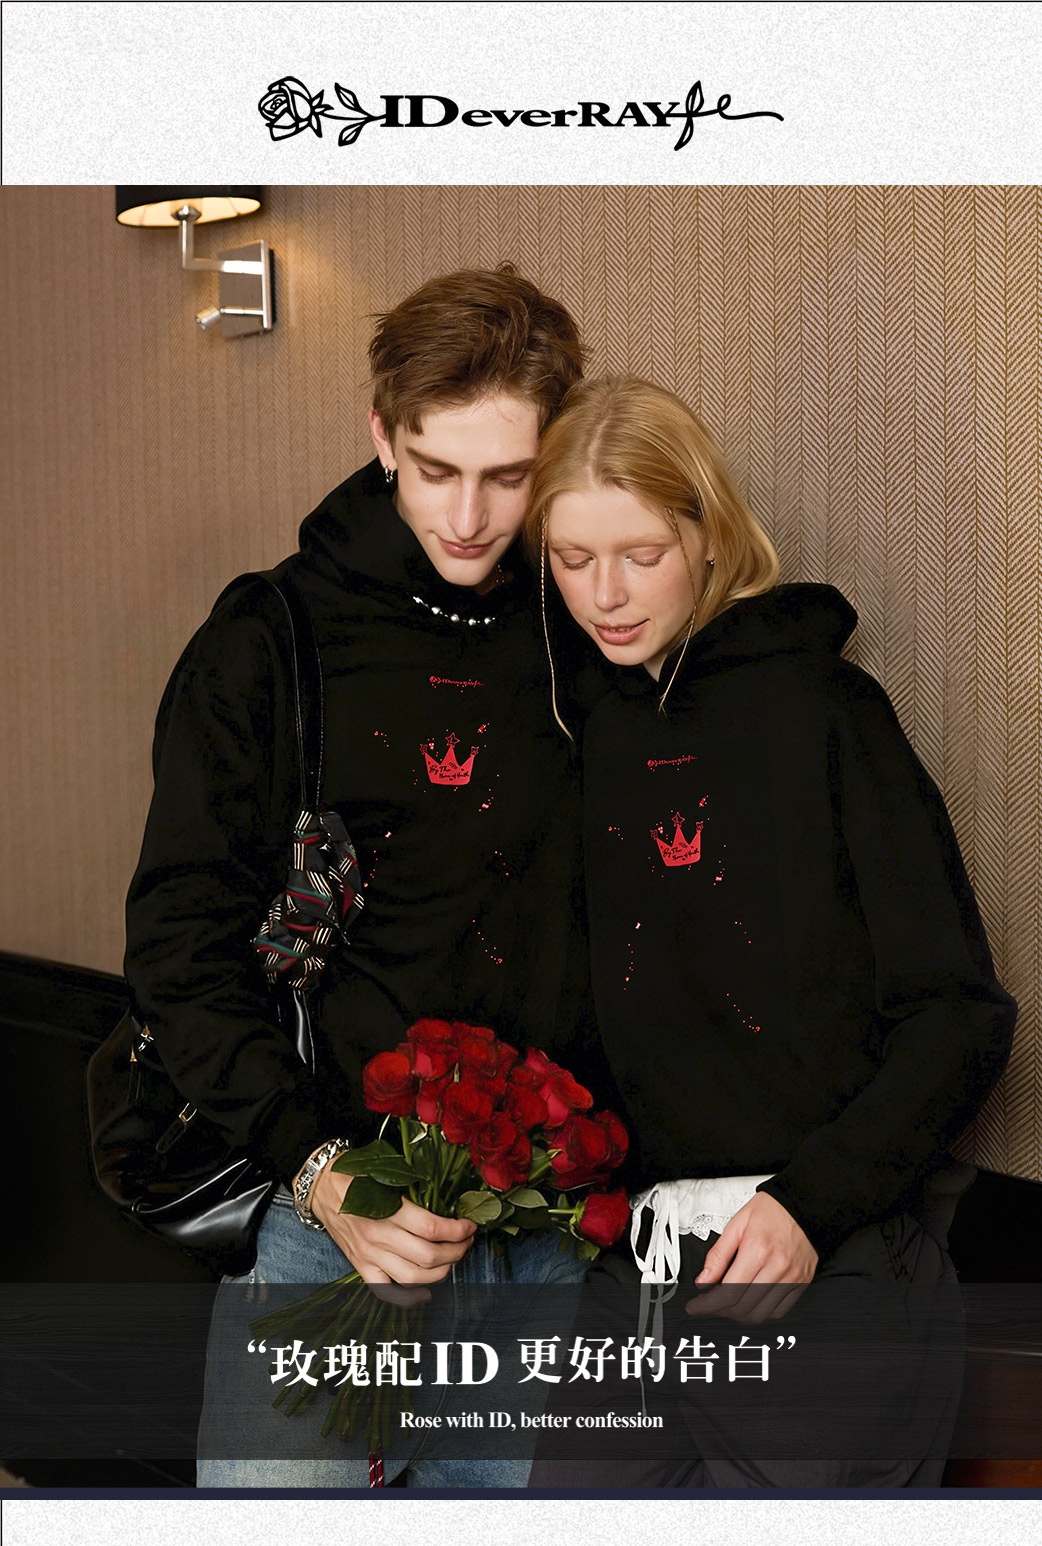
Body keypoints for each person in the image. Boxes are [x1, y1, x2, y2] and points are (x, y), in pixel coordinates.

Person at [123, 265, 604, 1488]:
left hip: (542, 1231)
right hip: (324, 1210)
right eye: (437, 469)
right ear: (382, 434)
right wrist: (319, 1170)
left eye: (509, 476)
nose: (470, 515)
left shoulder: (584, 622)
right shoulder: (269, 638)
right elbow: (178, 945)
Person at [521, 375, 1017, 1488]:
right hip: (639, 1267)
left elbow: (957, 1015)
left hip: (827, 1259)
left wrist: (807, 1206)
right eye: (571, 558)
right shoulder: (586, 732)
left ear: (706, 533)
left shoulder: (826, 714)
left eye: (640, 553)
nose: (605, 593)